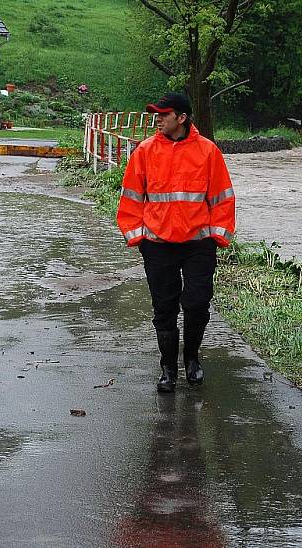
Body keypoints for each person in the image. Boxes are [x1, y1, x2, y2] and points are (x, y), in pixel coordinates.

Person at [116, 92, 236, 392]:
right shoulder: (144, 151)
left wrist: (218, 236)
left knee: (197, 304)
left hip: (198, 244)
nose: (158, 119)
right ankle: (168, 370)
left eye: (164, 114)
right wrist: (138, 237)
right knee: (164, 308)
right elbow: (131, 197)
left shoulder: (208, 152)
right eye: (157, 114)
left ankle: (192, 360)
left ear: (181, 118)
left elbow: (223, 197)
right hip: (157, 244)